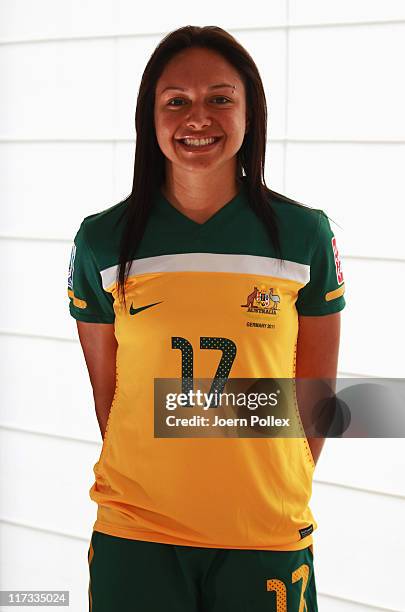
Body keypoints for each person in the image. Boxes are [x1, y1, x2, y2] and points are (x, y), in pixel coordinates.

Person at [67, 25, 345, 612]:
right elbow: (112, 399)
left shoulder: (303, 235)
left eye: (221, 98)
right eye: (177, 101)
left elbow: (314, 395)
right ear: (151, 116)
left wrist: (270, 483)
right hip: (137, 533)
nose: (199, 118)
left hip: (263, 532)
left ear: (250, 112)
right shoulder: (102, 240)